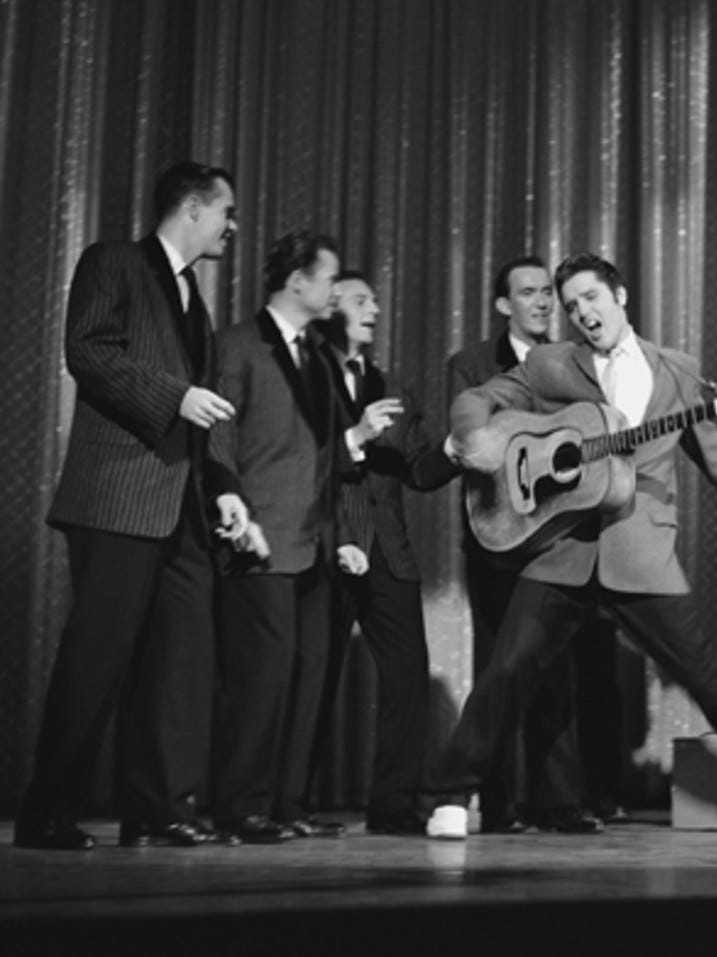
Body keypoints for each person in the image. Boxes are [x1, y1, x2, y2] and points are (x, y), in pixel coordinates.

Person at [426, 252, 717, 840]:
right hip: (563, 548)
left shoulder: (677, 370)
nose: (582, 312)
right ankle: (453, 795)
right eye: (573, 305)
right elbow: (480, 396)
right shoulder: (553, 363)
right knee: (506, 671)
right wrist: (471, 434)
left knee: (709, 681)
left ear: (620, 296)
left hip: (641, 551)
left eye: (592, 298)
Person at [15, 161, 248, 850]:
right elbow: (87, 350)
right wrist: (172, 395)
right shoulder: (112, 261)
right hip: (116, 495)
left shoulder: (193, 300)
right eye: (227, 211)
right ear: (194, 208)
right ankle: (46, 809)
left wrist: (227, 488)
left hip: (181, 504)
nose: (233, 225)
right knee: (98, 657)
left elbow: (204, 412)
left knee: (179, 659)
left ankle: (157, 808)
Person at [446, 256, 601, 834]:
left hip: (557, 538)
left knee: (555, 673)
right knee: (499, 673)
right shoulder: (471, 365)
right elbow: (470, 444)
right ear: (502, 304)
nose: (543, 302)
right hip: (495, 538)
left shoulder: (569, 363)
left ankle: (557, 802)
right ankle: (497, 804)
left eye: (547, 294)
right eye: (528, 292)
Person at [208, 229, 349, 844]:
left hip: (314, 540)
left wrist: (342, 531)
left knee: (308, 673)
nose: (336, 290)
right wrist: (231, 506)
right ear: (298, 282)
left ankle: (290, 803)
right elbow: (216, 433)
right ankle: (241, 806)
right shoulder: (237, 346)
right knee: (260, 677)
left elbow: (329, 451)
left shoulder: (319, 352)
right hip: (259, 538)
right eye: (328, 278)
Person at [309, 270, 458, 835]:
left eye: (374, 299)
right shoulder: (307, 375)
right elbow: (294, 459)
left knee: (407, 679)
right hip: (329, 544)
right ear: (331, 307)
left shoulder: (390, 384)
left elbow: (419, 470)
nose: (374, 308)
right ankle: (289, 802)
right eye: (360, 299)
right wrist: (357, 434)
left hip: (389, 552)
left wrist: (455, 448)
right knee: (314, 677)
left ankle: (393, 804)